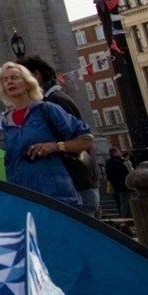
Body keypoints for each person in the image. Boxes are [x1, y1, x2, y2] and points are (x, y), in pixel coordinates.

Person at [0, 63, 92, 208]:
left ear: (28, 84)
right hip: (24, 200)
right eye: (5, 80)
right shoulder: (6, 121)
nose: (10, 82)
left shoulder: (47, 110)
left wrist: (56, 146)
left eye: (14, 77)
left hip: (56, 196)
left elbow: (87, 140)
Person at [29, 57, 100, 214]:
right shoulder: (49, 102)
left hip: (75, 189)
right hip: (70, 187)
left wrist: (55, 146)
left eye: (20, 76)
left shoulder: (55, 102)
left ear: (36, 75)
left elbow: (85, 140)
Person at [104, 147, 131, 216]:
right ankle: (125, 219)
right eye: (119, 152)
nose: (120, 153)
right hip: (123, 186)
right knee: (125, 203)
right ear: (114, 153)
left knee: (124, 203)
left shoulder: (112, 162)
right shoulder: (116, 163)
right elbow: (123, 174)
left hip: (118, 186)